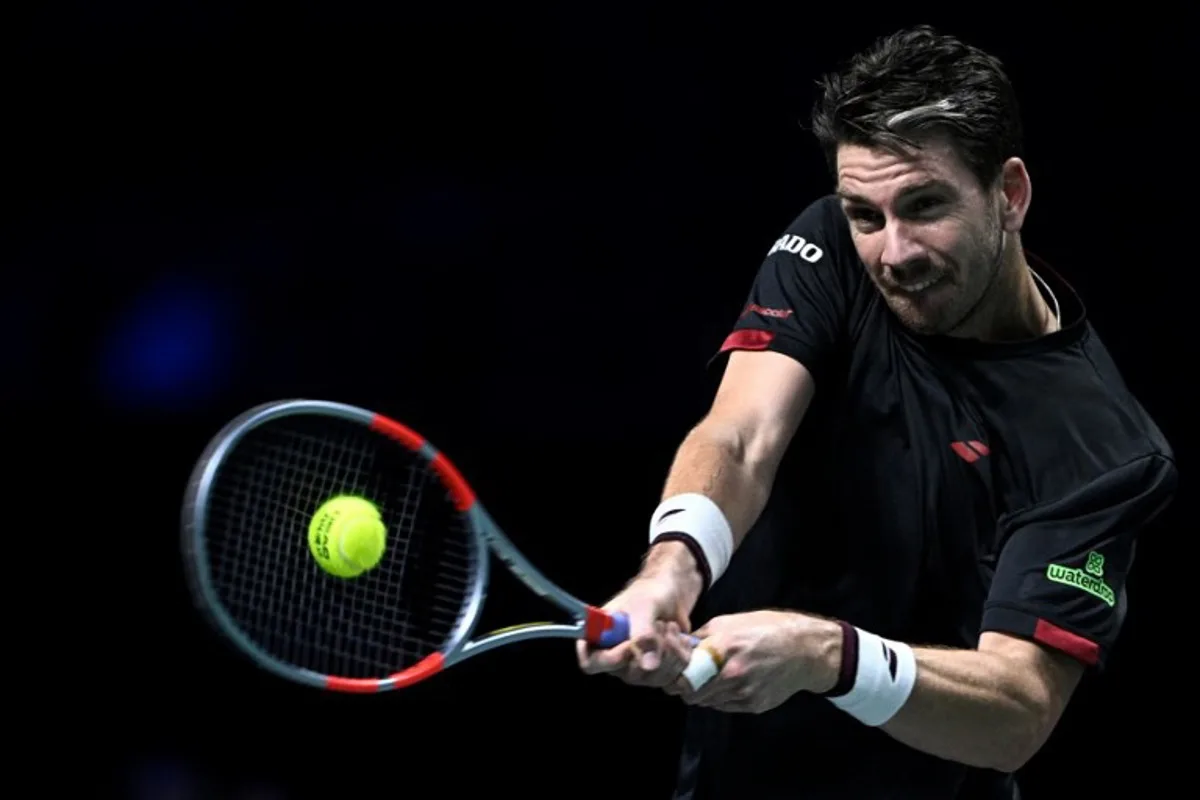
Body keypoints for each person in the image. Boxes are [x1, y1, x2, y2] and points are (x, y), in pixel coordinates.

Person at [577, 24, 1177, 799]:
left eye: (925, 205)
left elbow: (1018, 712)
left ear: (1011, 195)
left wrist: (830, 656)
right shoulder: (829, 245)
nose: (893, 252)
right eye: (866, 214)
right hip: (736, 776)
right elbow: (743, 434)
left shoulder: (1104, 449)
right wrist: (672, 568)